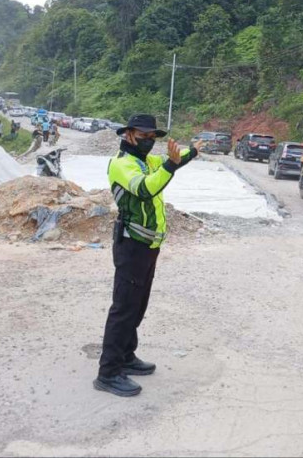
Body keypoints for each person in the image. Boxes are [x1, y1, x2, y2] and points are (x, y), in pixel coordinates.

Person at [94, 114, 202, 397]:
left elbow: (173, 161)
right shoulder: (122, 164)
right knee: (124, 308)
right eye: (144, 136)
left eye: (153, 137)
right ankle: (108, 372)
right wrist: (170, 164)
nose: (149, 141)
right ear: (128, 134)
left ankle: (127, 357)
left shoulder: (145, 161)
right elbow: (145, 189)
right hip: (131, 246)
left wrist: (195, 150)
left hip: (148, 246)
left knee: (138, 306)